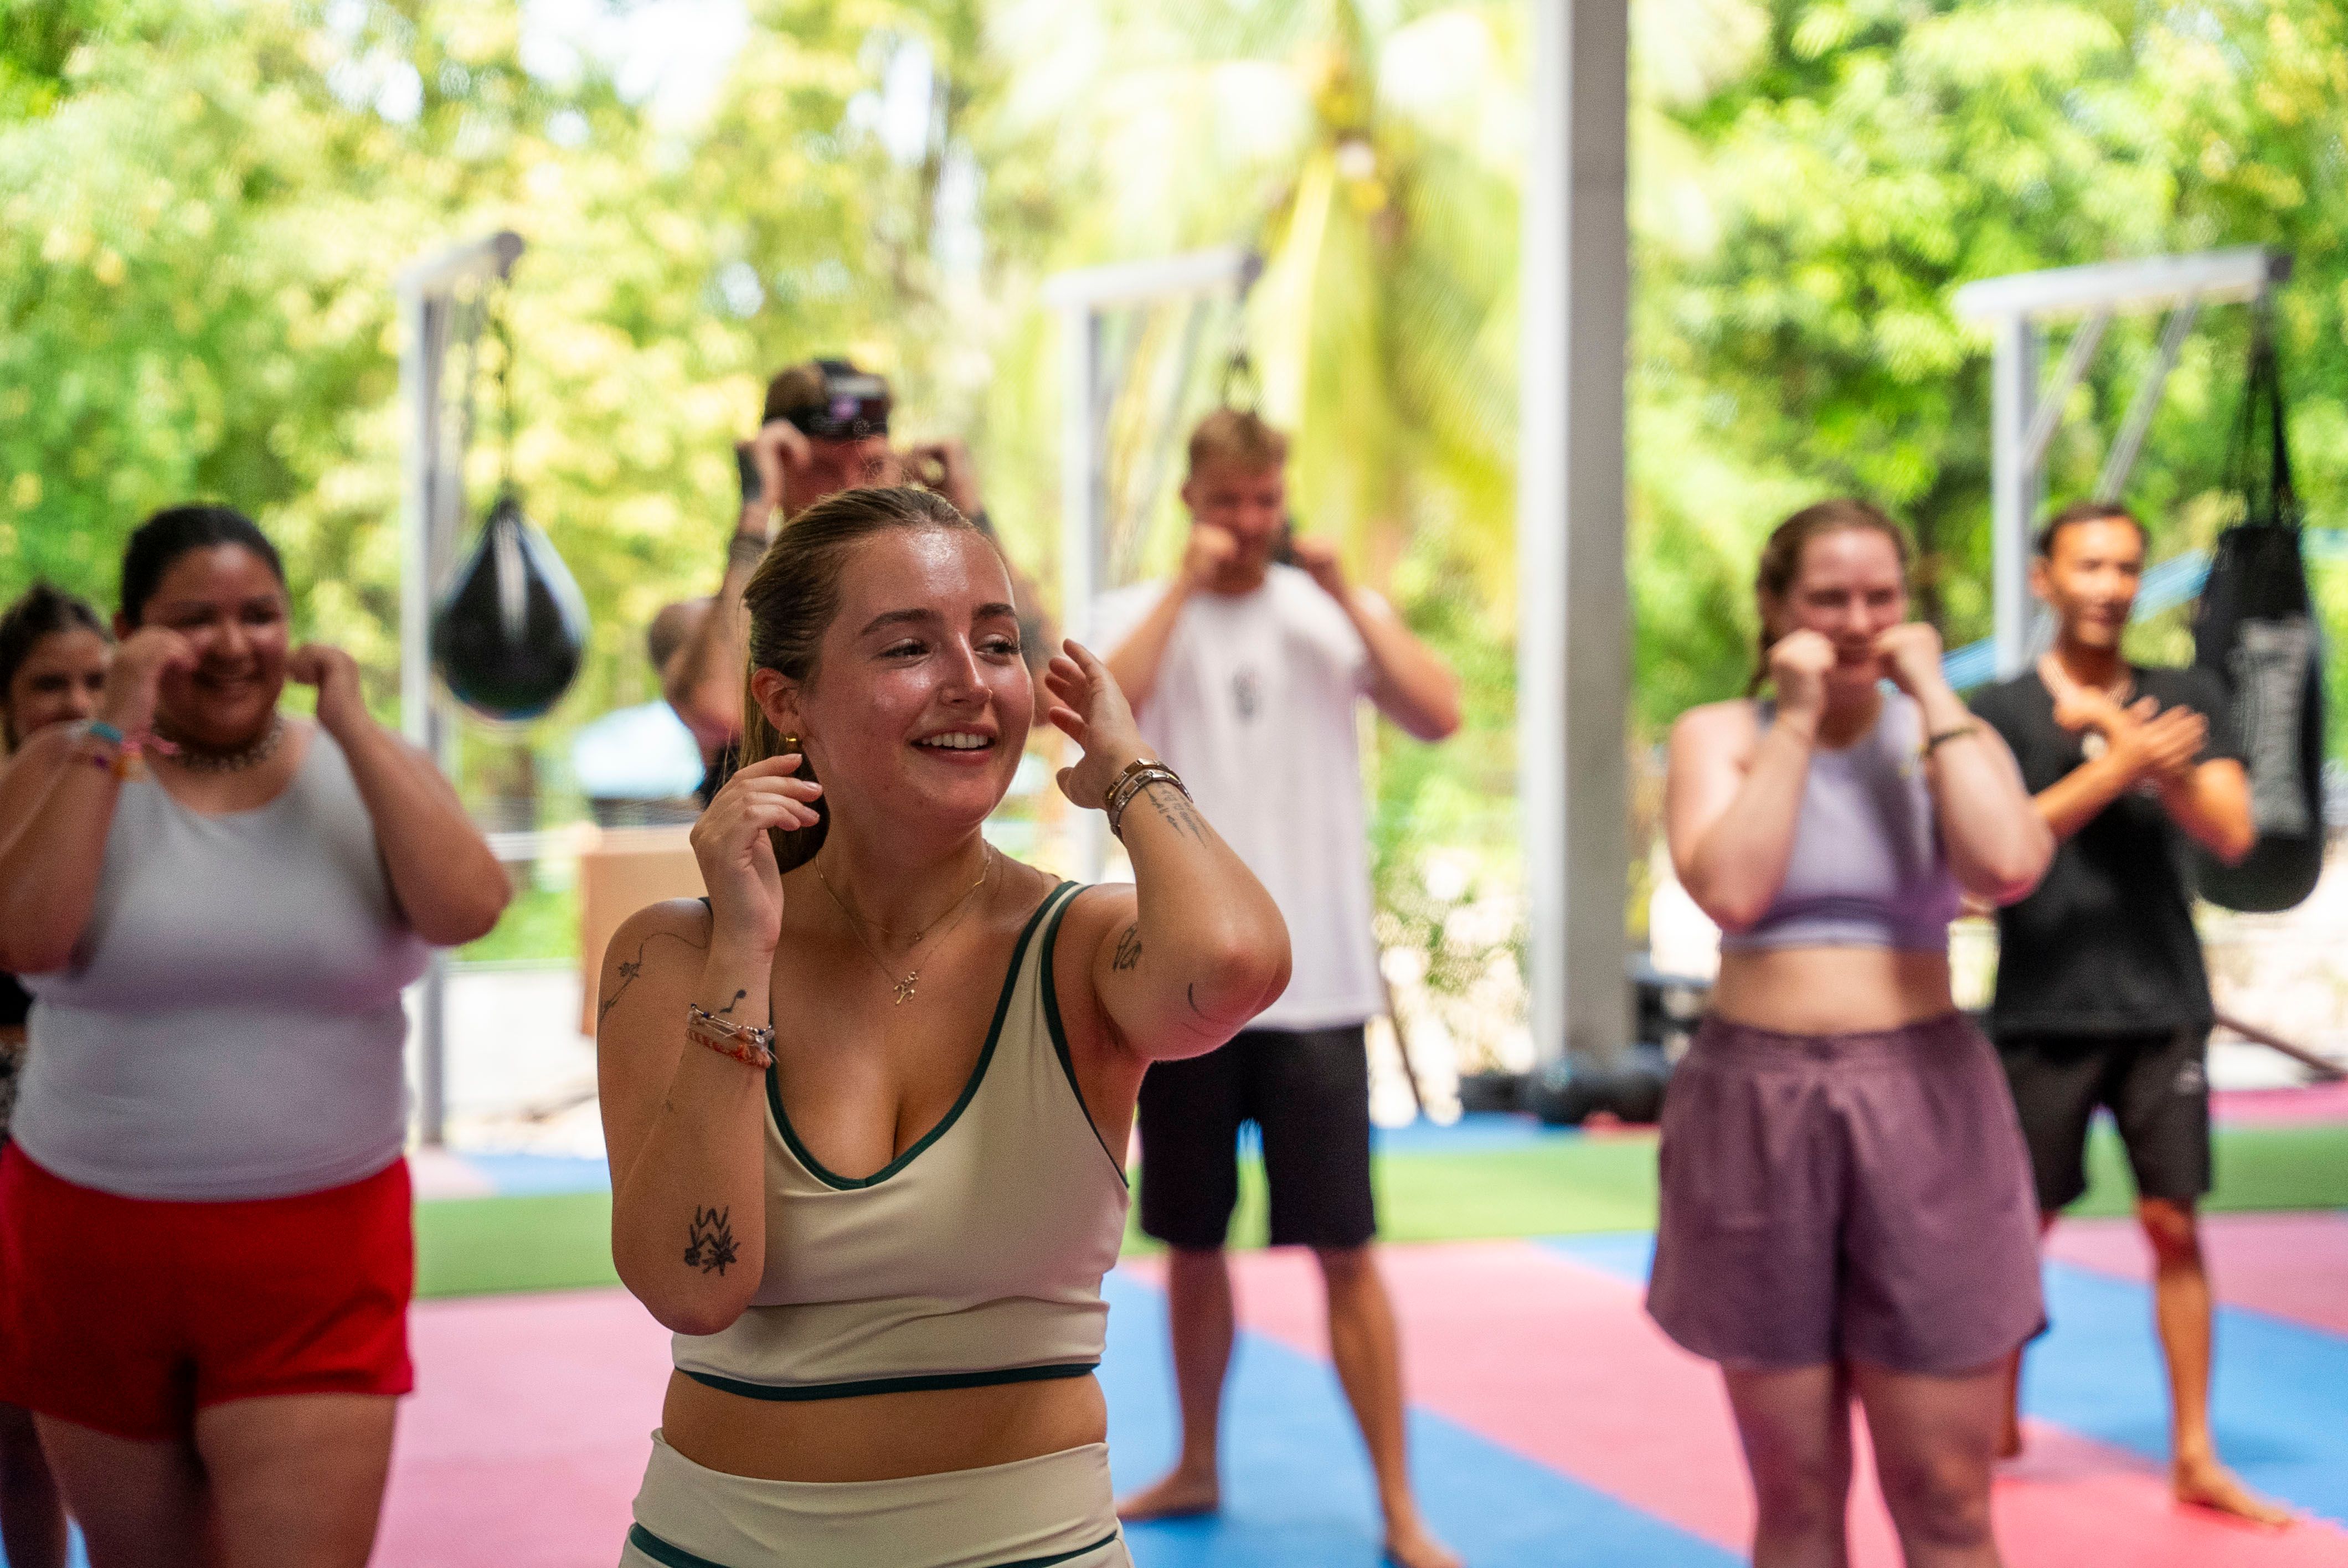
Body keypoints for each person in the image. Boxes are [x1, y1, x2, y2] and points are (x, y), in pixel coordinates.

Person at [595, 484, 1290, 1568]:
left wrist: (1127, 771)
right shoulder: (673, 954)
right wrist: (743, 952)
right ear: (787, 699)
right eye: (908, 646)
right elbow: (690, 1285)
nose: (970, 684)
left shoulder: (1077, 947)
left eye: (998, 643)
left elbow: (1237, 964)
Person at [0, 506, 510, 1568]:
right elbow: (29, 942)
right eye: (196, 619)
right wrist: (115, 727)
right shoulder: (64, 761)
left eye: (260, 615)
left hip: (318, 1252)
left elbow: (469, 907)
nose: (234, 644)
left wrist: (356, 729)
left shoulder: (364, 763)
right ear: (136, 630)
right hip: (91, 1243)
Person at [1654, 498, 2054, 1567]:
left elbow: (2009, 866)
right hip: (1754, 1100)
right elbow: (1731, 890)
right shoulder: (1718, 735)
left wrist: (1928, 690)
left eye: (1882, 597)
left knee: (1946, 1495)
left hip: (1926, 1099)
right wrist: (1793, 718)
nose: (1856, 619)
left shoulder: (1947, 731)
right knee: (1796, 1495)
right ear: (1776, 608)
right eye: (1828, 597)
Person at [1098, 410, 1465, 1568]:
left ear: (1284, 496)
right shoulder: (1133, 619)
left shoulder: (1327, 616)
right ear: (1191, 502)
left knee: (1345, 1250)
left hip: (1318, 989)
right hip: (1183, 979)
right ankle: (1197, 1456)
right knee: (1191, 1243)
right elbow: (1094, 720)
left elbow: (1438, 711)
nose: (1248, 523)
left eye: (1265, 500)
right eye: (1226, 502)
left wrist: (1349, 591)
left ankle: (1399, 1504)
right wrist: (1177, 590)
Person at [1969, 501, 2285, 1526]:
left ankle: (2195, 1451)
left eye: (2126, 567)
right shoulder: (1998, 710)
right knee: (2024, 1227)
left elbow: (2232, 831)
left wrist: (2135, 741)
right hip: (2040, 1005)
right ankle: (1997, 1418)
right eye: (2090, 565)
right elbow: (1990, 858)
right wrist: (2113, 763)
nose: (2109, 585)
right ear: (2044, 578)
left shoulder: (2188, 695)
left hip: (2161, 1003)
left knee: (2172, 1222)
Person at [662, 359, 1049, 803]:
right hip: (776, 869)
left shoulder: (941, 621)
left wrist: (970, 513)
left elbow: (1046, 697)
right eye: (823, 469)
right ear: (777, 469)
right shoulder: (694, 623)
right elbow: (721, 710)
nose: (850, 488)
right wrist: (754, 512)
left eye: (871, 466)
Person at [0, 582, 111, 1568]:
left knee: (62, 1417)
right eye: (49, 685)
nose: (76, 703)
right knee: (13, 1429)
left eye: (95, 680)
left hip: (97, 1164)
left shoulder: (146, 807)